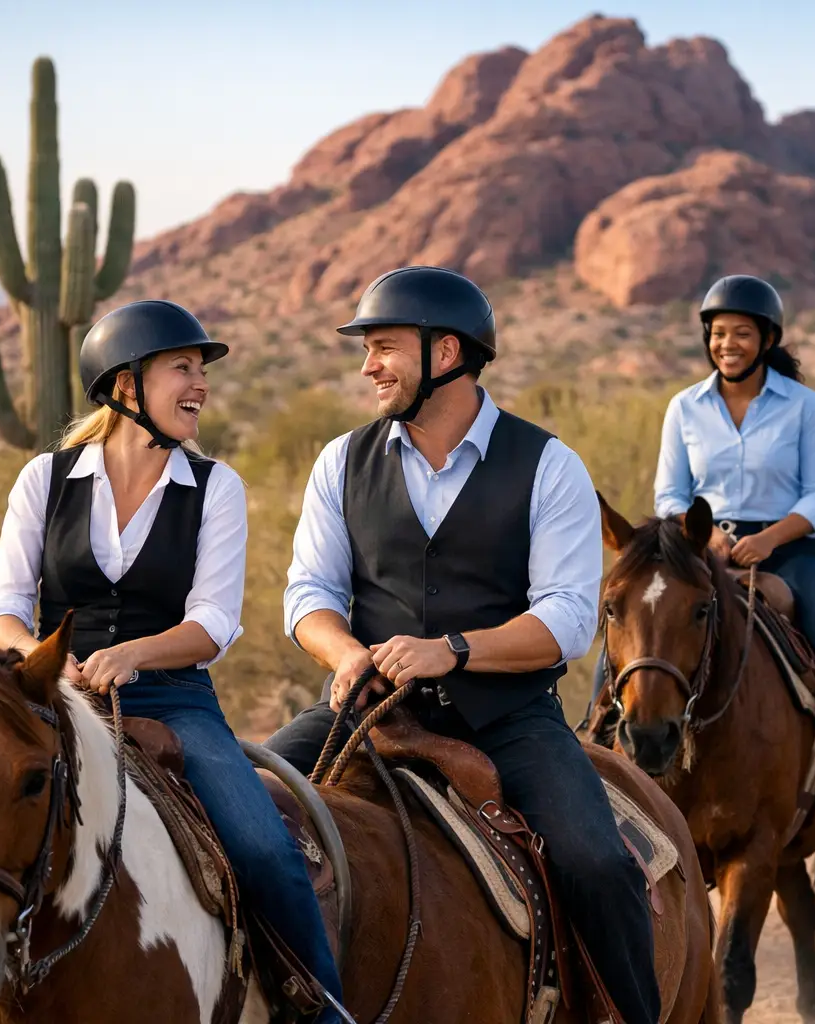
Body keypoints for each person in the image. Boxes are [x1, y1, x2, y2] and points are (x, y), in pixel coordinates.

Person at [0, 300, 344, 1022]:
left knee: (264, 848)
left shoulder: (216, 488)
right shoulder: (44, 481)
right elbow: (2, 609)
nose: (200, 385)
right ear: (126, 386)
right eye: (182, 368)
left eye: (201, 371)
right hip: (44, 702)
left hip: (174, 700)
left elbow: (212, 622)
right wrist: (38, 661)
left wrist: (134, 654)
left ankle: (319, 1004)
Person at [263, 266, 660, 1023]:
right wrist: (347, 656)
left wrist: (455, 649)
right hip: (367, 711)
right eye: (366, 350)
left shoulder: (549, 466)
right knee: (245, 816)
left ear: (445, 353)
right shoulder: (339, 463)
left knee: (597, 862)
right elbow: (307, 596)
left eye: (383, 348)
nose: (368, 366)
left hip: (508, 719)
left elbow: (569, 621)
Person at [589, 274, 815, 841]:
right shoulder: (685, 407)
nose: (728, 344)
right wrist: (708, 536)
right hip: (696, 548)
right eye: (719, 334)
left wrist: (769, 539)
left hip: (788, 551)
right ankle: (596, 758)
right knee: (627, 640)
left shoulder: (801, 406)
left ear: (767, 340)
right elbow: (670, 494)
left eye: (742, 333)